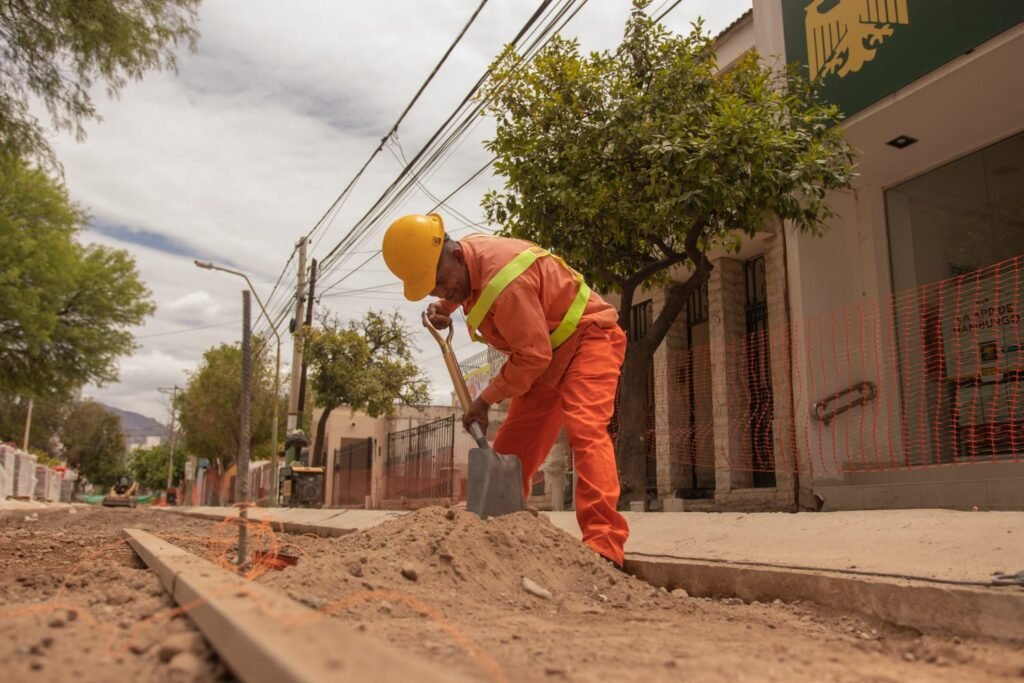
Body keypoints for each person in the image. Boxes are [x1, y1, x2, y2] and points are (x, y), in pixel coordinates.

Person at [382, 213, 629, 567]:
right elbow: (472, 287)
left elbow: (532, 355)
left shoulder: (505, 282)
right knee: (510, 455)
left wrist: (483, 401)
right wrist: (447, 305)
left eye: (441, 284)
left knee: (585, 430)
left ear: (454, 254)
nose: (441, 291)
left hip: (588, 338)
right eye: (433, 290)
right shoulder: (467, 260)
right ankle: (493, 538)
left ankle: (605, 545)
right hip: (545, 355)